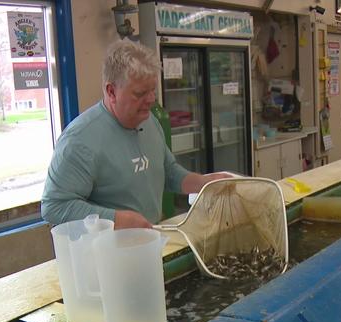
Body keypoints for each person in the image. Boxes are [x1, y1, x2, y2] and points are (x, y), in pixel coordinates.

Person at [41, 39, 230, 229]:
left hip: (148, 241)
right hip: (107, 252)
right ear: (111, 91)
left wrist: (205, 183)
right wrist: (116, 220)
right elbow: (54, 206)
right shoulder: (80, 140)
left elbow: (168, 171)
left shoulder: (150, 122)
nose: (151, 100)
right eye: (140, 93)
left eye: (152, 91)